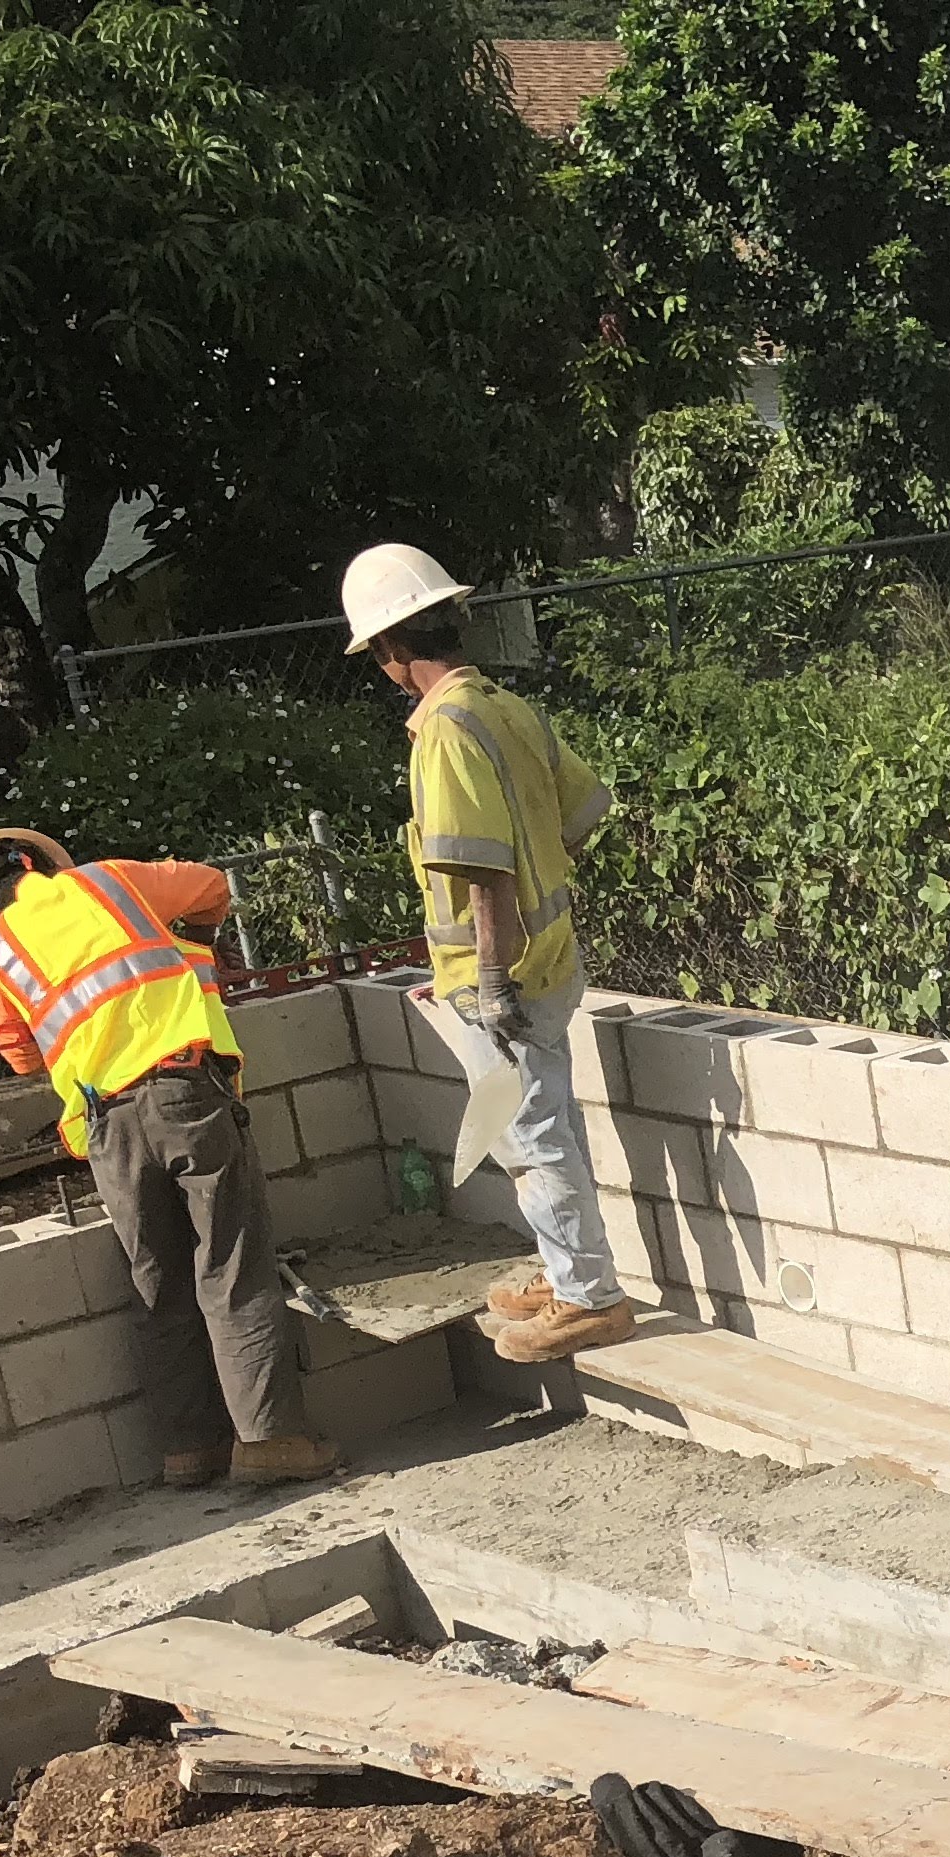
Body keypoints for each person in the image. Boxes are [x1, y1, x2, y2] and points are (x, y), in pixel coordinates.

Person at [0, 829, 337, 1489]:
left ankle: (188, 1451)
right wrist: (197, 943)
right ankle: (270, 1441)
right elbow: (212, 886)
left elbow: (19, 1055)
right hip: (184, 1094)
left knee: (158, 1287)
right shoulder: (109, 882)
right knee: (232, 1268)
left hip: (106, 1124)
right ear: (41, 862)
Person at [338, 541, 639, 1363]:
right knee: (547, 1126)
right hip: (549, 961)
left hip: (505, 981)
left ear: (392, 647)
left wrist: (492, 978)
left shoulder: (445, 731)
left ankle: (589, 1299)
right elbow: (581, 815)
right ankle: (570, 1270)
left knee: (533, 1141)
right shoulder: (506, 707)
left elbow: (483, 872)